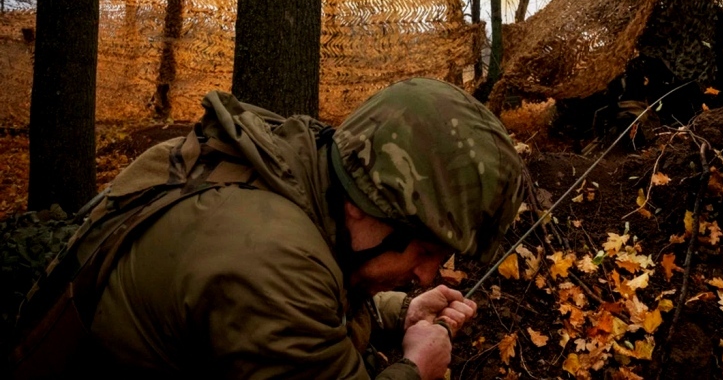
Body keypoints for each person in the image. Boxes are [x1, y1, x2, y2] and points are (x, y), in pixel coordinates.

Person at [8, 77, 525, 380]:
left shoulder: (285, 166)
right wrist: (415, 368)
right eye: (425, 250)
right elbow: (287, 292)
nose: (426, 274)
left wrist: (399, 312)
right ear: (367, 206)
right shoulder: (270, 258)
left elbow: (318, 286)